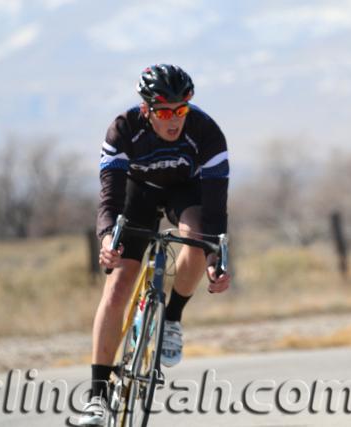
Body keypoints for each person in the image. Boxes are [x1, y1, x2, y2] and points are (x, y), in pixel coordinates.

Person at [79, 64, 231, 426]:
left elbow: (215, 207)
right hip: (137, 197)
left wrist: (215, 258)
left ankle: (173, 319)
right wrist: (106, 239)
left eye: (181, 109)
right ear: (146, 109)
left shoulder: (206, 132)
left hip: (186, 193)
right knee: (117, 288)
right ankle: (97, 397)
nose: (174, 119)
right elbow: (110, 200)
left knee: (195, 238)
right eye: (164, 111)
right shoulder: (124, 129)